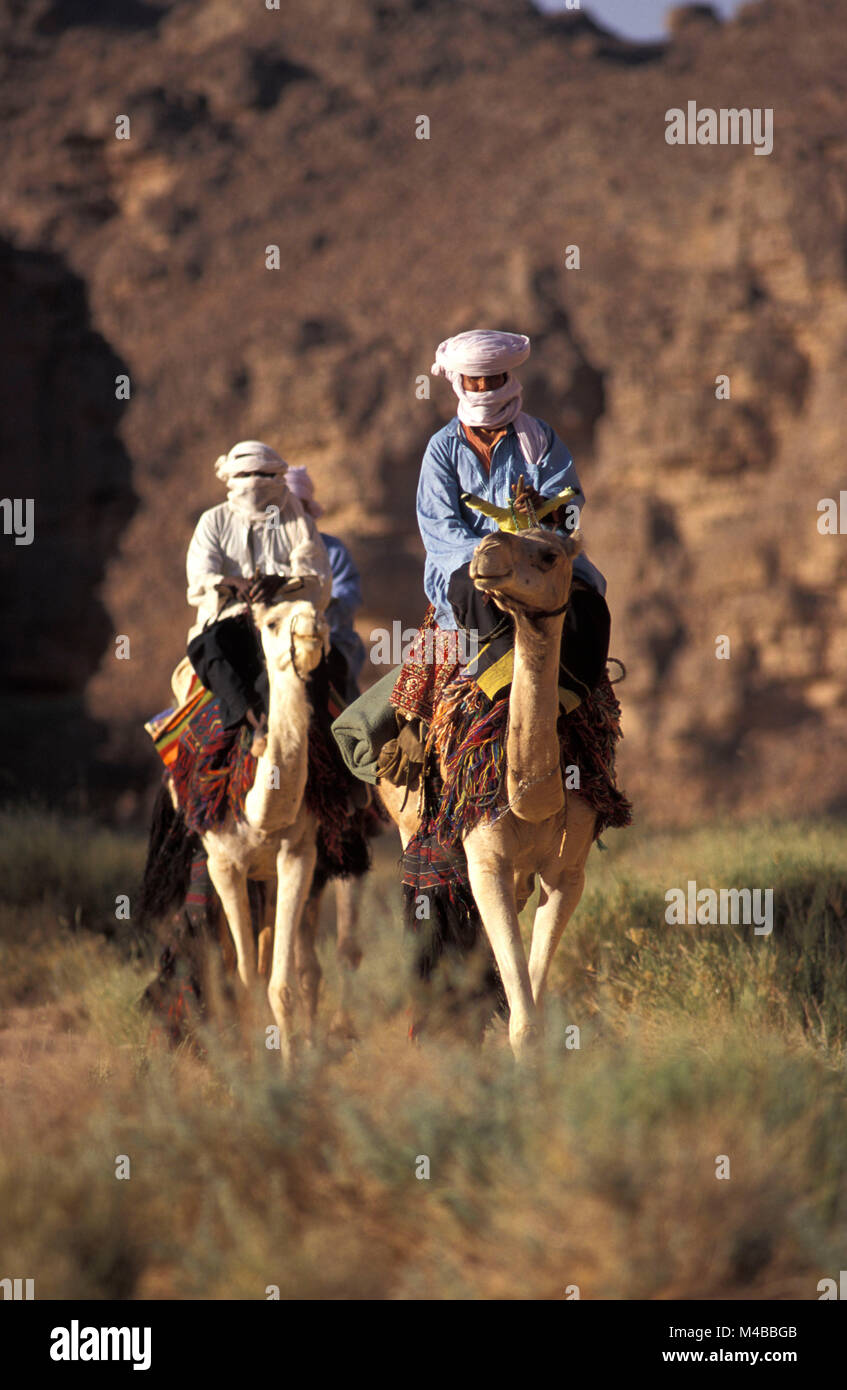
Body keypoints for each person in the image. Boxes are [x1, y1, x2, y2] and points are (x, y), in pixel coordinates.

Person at [390, 328, 609, 725]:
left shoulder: (539, 438)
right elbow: (440, 527)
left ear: (508, 379)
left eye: (494, 380)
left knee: (590, 601)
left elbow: (570, 503)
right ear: (460, 383)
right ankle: (507, 693)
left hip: (537, 562)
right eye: (476, 381)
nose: (485, 388)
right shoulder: (443, 449)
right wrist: (492, 554)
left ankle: (573, 696)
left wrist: (547, 511)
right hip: (470, 569)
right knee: (468, 590)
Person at [174, 439, 332, 740]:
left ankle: (337, 756)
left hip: (286, 623)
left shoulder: (296, 517)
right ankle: (250, 722)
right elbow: (200, 576)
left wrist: (281, 583)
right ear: (230, 478)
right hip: (229, 623)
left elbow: (316, 574)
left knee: (321, 668)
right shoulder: (214, 521)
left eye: (263, 475)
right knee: (210, 646)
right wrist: (231, 584)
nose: (253, 483)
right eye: (245, 476)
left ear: (277, 477)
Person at [284, 464, 367, 706]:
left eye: (299, 506)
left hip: (328, 640)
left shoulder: (333, 550)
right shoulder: (266, 552)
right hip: (277, 639)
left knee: (336, 682)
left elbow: (349, 594)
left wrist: (325, 603)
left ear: (309, 509)